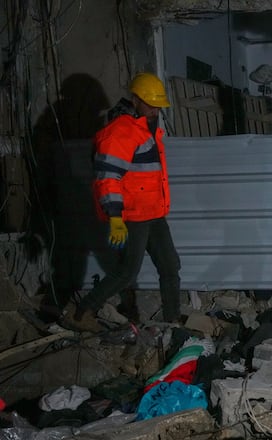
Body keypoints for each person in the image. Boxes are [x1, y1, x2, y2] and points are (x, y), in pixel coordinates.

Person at [62, 72, 182, 332]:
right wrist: (115, 216)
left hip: (152, 212)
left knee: (170, 265)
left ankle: (174, 321)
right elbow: (108, 177)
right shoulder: (119, 132)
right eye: (151, 104)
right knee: (127, 271)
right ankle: (81, 312)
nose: (155, 110)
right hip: (132, 214)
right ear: (136, 99)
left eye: (158, 105)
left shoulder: (143, 129)